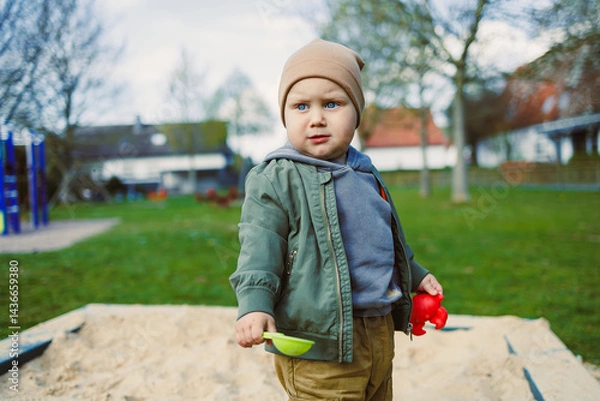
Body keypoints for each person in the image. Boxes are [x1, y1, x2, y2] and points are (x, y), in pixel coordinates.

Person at [230, 38, 444, 401]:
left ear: (356, 112)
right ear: (284, 115)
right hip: (318, 341)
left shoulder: (364, 172)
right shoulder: (277, 177)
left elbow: (383, 239)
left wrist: (416, 273)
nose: (316, 118)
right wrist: (254, 304)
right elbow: (259, 248)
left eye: (332, 103)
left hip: (376, 332)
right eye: (300, 106)